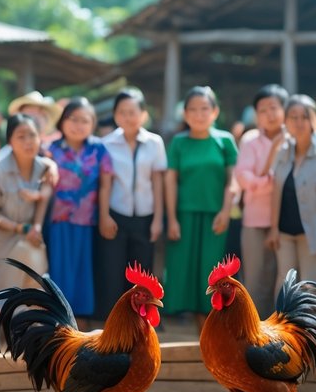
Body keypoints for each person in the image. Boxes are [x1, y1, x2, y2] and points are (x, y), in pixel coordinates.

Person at [165, 86, 237, 327]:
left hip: (215, 216)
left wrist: (225, 211)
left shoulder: (225, 141)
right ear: (185, 114)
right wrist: (172, 218)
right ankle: (196, 324)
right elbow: (171, 181)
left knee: (212, 269)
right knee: (184, 269)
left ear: (215, 112)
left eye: (204, 108)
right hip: (184, 215)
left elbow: (233, 180)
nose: (199, 114)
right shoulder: (178, 143)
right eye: (193, 109)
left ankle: (213, 325)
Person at [96, 88, 166, 316]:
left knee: (142, 272)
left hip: (145, 216)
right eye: (122, 112)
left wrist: (158, 219)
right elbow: (105, 184)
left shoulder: (154, 143)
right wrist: (104, 216)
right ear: (115, 116)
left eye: (133, 112)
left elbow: (157, 182)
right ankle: (112, 322)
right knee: (112, 270)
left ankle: (141, 322)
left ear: (144, 114)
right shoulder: (106, 144)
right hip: (116, 214)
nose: (128, 117)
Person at [0, 114, 56, 313]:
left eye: (32, 135)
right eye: (21, 136)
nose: (28, 141)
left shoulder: (44, 167)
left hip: (28, 234)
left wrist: (36, 227)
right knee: (27, 253)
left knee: (32, 250)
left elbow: (44, 198)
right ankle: (12, 313)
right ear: (10, 141)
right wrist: (21, 228)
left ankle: (21, 314)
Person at [46, 97, 112, 322]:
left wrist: (104, 216)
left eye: (85, 120)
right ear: (62, 121)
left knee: (84, 273)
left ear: (92, 123)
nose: (78, 125)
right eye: (73, 119)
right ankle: (58, 321)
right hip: (57, 222)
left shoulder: (99, 149)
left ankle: (80, 323)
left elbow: (106, 185)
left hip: (88, 222)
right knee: (59, 272)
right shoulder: (51, 149)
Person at [266, 94, 316, 293]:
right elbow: (275, 190)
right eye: (293, 117)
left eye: (304, 117)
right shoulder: (282, 151)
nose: (299, 122)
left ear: (314, 120)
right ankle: (282, 316)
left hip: (313, 231)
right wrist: (273, 228)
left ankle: (308, 316)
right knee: (284, 281)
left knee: (309, 283)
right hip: (284, 230)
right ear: (286, 121)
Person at [233, 84, 288, 310]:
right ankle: (253, 326)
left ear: (284, 109)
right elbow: (245, 181)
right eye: (263, 110)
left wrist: (262, 181)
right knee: (255, 279)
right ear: (256, 115)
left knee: (282, 278)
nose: (269, 114)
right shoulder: (249, 140)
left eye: (274, 108)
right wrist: (271, 180)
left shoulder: (294, 138)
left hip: (287, 220)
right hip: (254, 219)